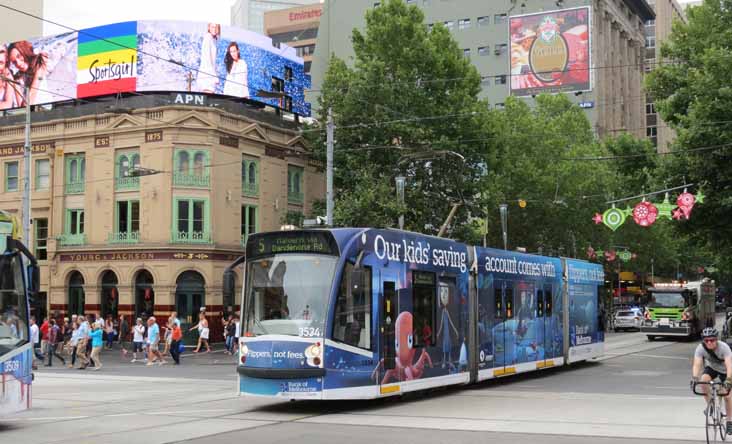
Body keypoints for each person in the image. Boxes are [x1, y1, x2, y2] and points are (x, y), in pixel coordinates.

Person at [692, 327, 732, 434]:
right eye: (706, 340)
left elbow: (729, 365)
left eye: (712, 340)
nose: (709, 342)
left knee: (727, 396)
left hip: (726, 371)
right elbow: (697, 364)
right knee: (703, 380)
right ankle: (711, 406)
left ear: (716, 339)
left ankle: (729, 421)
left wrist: (728, 380)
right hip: (712, 368)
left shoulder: (724, 347)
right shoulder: (701, 348)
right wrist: (695, 378)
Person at [7, 40, 48, 106]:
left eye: (19, 56)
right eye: (14, 62)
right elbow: (21, 107)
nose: (18, 64)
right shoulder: (18, 78)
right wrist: (14, 82)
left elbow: (28, 103)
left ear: (24, 51)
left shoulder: (39, 64)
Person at [196, 23, 220, 93]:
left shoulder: (214, 39)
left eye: (216, 27)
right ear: (209, 28)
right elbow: (207, 59)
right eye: (212, 27)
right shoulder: (208, 37)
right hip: (206, 75)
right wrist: (214, 76)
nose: (214, 29)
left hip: (208, 75)